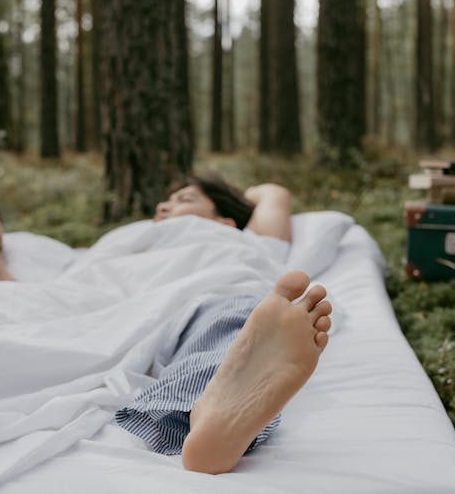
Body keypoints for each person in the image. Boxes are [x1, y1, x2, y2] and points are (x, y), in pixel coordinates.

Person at [116, 270, 332, 474]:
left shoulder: (148, 244)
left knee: (218, 334)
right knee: (229, 331)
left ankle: (203, 408)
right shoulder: (155, 238)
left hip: (218, 298)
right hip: (239, 296)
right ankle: (211, 410)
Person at [154, 174, 293, 243]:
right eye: (168, 201)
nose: (161, 206)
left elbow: (273, 193)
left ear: (225, 223)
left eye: (184, 200)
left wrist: (239, 199)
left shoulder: (249, 246)